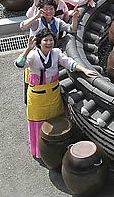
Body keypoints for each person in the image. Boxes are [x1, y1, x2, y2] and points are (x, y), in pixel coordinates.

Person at [15, 29, 97, 159]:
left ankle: (57, 151)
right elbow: (19, 65)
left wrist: (84, 70)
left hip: (53, 92)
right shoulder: (33, 55)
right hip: (37, 95)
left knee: (56, 120)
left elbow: (69, 63)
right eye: (45, 40)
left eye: (51, 40)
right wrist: (27, 50)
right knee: (37, 122)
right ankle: (40, 150)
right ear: (39, 42)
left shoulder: (56, 53)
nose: (48, 43)